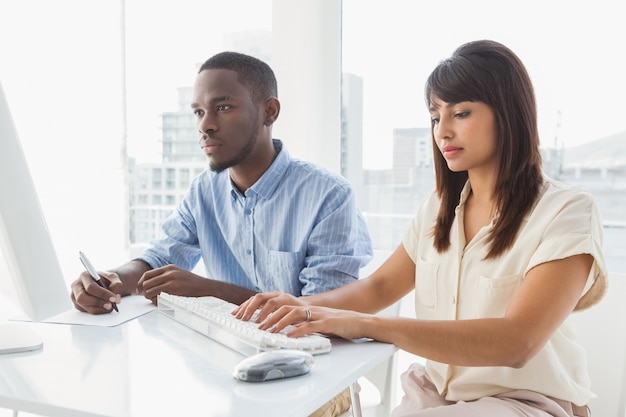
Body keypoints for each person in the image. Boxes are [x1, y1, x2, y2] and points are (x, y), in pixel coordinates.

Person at [235, 40, 608, 417]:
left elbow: (519, 341)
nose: (442, 131)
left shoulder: (566, 211)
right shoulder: (437, 210)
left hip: (525, 404)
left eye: (460, 113)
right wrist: (301, 308)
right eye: (435, 117)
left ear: (508, 114)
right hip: (436, 399)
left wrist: (367, 325)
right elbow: (379, 287)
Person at [70, 51, 372, 314]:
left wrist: (210, 290)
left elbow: (321, 312)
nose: (205, 125)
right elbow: (159, 259)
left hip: (313, 368)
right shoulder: (204, 190)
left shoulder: (329, 196)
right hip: (226, 357)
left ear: (270, 111)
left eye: (223, 108)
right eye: (199, 112)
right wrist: (111, 280)